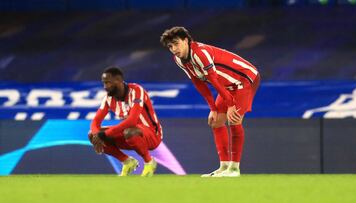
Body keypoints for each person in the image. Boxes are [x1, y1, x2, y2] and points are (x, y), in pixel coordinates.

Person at [160, 26, 260, 177]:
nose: (174, 48)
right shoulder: (179, 60)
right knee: (216, 121)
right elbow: (199, 83)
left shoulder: (200, 53)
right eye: (170, 46)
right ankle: (224, 167)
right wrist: (213, 108)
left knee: (234, 119)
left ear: (186, 40)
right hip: (228, 85)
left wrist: (231, 104)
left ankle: (234, 169)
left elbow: (213, 80)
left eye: (176, 43)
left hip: (244, 80)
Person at [88, 66, 163, 177]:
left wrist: (104, 134)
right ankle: (127, 162)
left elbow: (132, 121)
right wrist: (96, 136)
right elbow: (95, 122)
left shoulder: (137, 91)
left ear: (118, 81)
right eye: (104, 83)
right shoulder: (109, 98)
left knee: (128, 131)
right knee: (91, 134)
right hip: (129, 135)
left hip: (152, 135)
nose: (105, 87)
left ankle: (149, 162)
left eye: (108, 83)